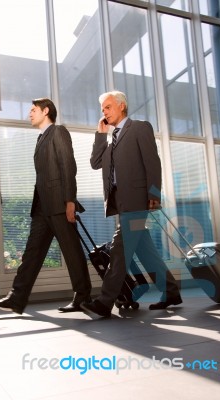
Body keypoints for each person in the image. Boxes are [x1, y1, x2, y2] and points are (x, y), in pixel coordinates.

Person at [81, 91, 182, 317]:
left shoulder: (139, 128)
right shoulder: (111, 140)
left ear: (122, 106)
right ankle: (171, 291)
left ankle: (104, 302)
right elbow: (95, 163)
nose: (104, 112)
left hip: (137, 201)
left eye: (107, 107)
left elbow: (152, 162)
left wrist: (154, 194)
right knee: (144, 249)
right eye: (102, 109)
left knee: (120, 249)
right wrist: (100, 134)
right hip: (120, 203)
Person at [0, 98, 91, 314]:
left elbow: (68, 167)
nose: (29, 114)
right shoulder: (41, 138)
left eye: (33, 110)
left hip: (60, 204)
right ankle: (16, 298)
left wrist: (70, 201)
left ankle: (82, 297)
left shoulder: (58, 132)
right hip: (42, 206)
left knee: (72, 252)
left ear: (46, 111)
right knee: (32, 252)